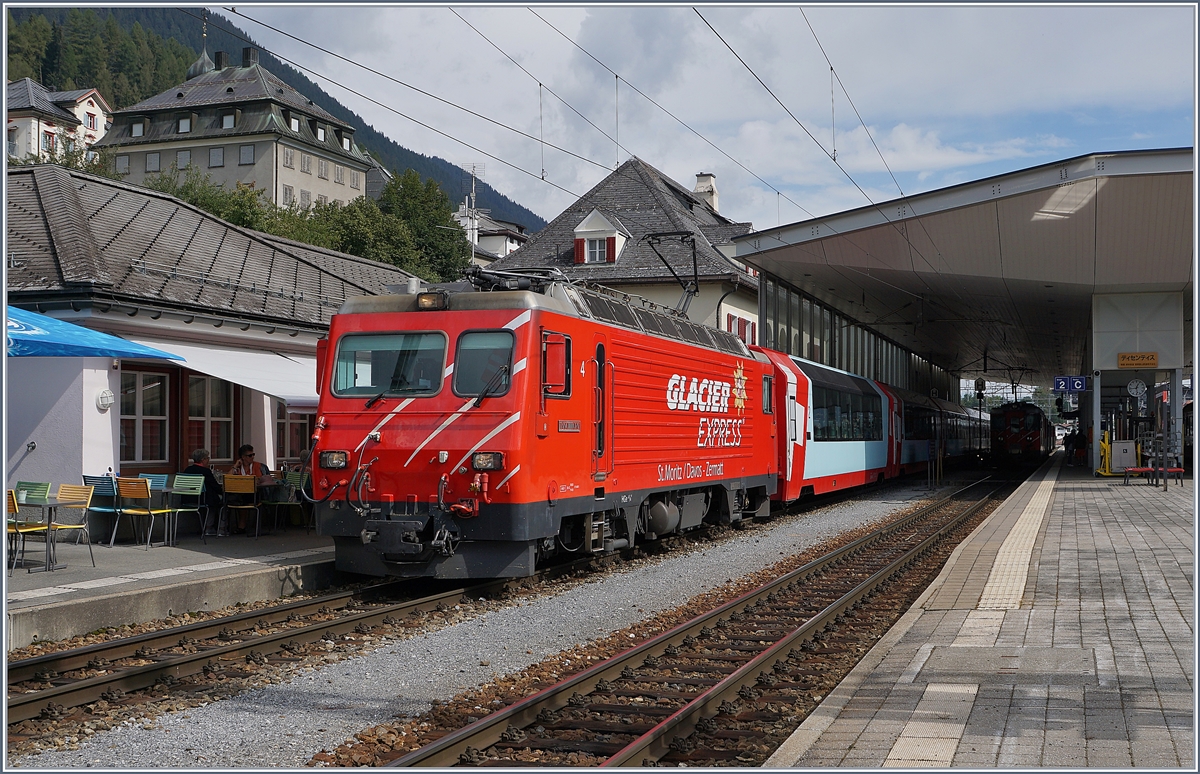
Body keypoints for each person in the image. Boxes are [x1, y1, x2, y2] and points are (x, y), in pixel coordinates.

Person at [228, 444, 276, 534]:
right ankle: (240, 526)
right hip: (241, 492)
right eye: (250, 455)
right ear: (243, 457)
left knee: (243, 497)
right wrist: (235, 466)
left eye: (253, 455)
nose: (252, 457)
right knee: (238, 496)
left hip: (257, 493)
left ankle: (241, 526)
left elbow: (261, 480)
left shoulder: (259, 466)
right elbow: (228, 479)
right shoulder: (238, 468)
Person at [182, 449, 224, 535]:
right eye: (207, 458)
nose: (208, 460)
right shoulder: (205, 471)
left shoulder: (187, 470)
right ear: (203, 459)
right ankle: (218, 528)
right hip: (203, 499)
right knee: (221, 501)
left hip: (188, 498)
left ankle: (209, 527)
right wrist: (223, 491)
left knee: (212, 500)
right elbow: (215, 486)